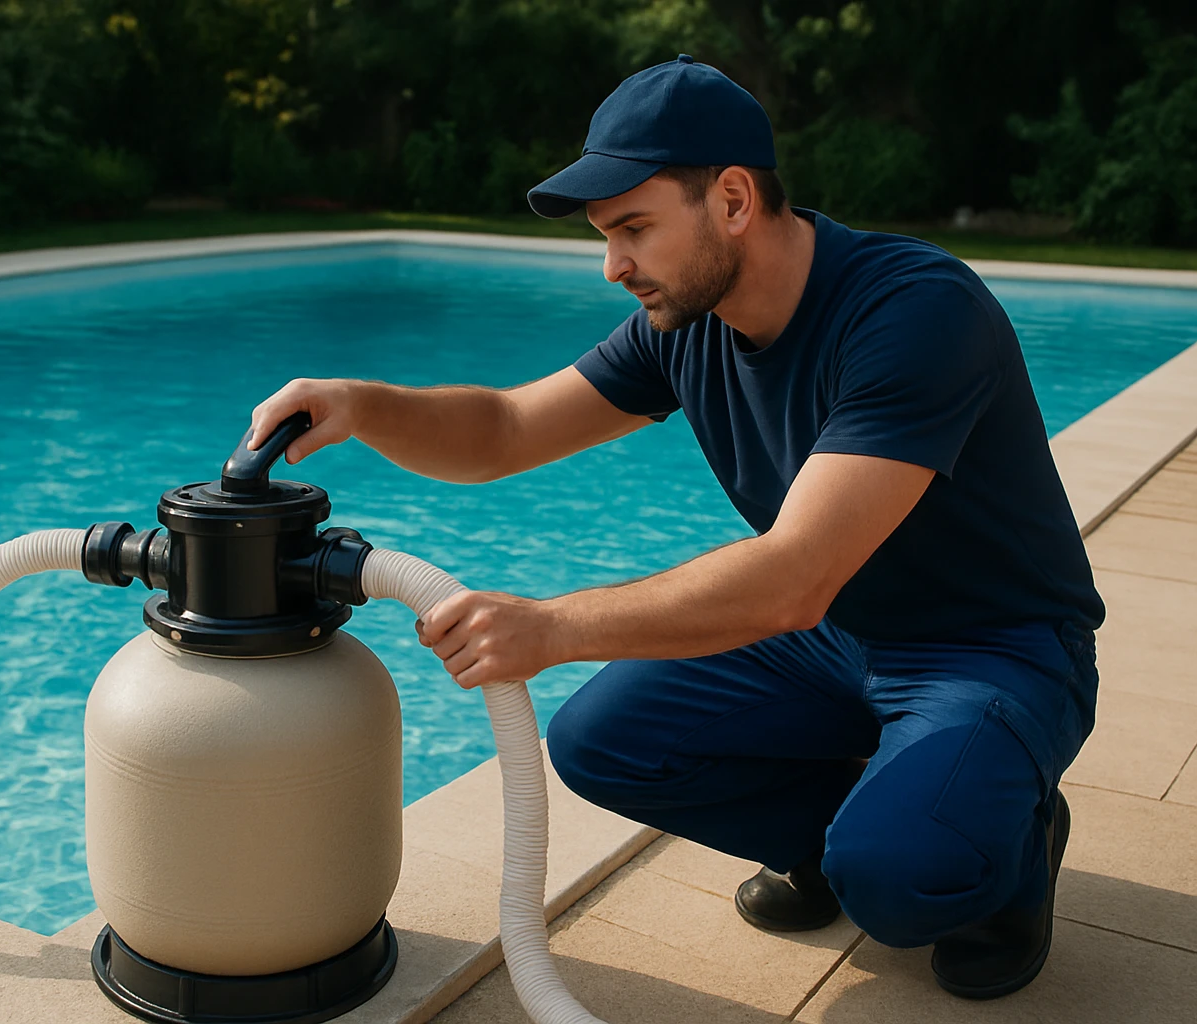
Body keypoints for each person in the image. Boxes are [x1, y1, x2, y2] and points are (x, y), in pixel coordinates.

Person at [246, 55, 1103, 1001]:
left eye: (634, 230)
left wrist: (553, 627)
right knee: (604, 740)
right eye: (606, 237)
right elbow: (504, 429)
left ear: (732, 199)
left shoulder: (914, 313)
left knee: (901, 881)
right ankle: (843, 833)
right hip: (834, 639)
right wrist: (364, 405)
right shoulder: (686, 323)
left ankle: (1014, 851)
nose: (615, 266)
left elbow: (791, 579)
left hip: (991, 646)